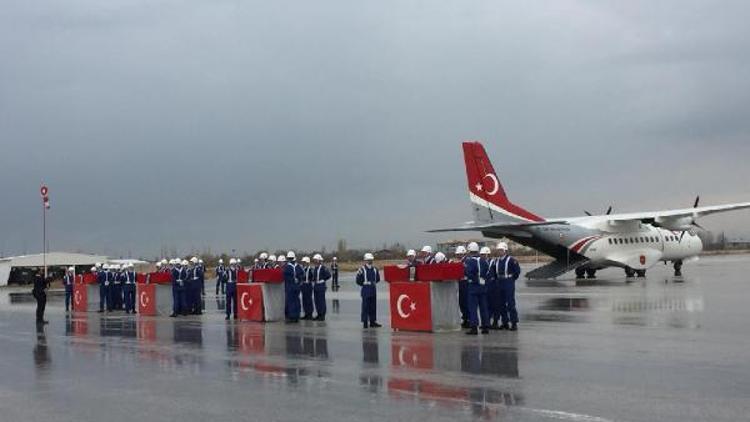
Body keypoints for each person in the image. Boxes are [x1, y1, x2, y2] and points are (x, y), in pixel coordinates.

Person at [490, 242, 521, 331]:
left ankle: (514, 323)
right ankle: (505, 322)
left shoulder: (511, 260)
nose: (499, 252)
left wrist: (511, 280)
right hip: (499, 282)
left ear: (505, 250)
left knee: (510, 303)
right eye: (498, 250)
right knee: (501, 303)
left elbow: (517, 271)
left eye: (501, 250)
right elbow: (493, 272)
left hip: (508, 282)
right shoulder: (496, 261)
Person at [464, 242, 490, 335]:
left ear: (470, 251)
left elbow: (468, 273)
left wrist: (475, 279)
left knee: (473, 308)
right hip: (482, 287)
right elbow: (488, 271)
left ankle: (474, 327)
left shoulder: (469, 261)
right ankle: (485, 326)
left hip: (473, 287)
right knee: (484, 307)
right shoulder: (483, 260)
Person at [356, 253, 381, 328]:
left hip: (373, 289)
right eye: (368, 260)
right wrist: (365, 284)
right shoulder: (361, 269)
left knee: (373, 306)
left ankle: (373, 321)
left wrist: (372, 283)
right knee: (365, 306)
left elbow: (378, 279)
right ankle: (365, 322)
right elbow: (358, 280)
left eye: (371, 260)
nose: (370, 261)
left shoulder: (375, 269)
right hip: (366, 289)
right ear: (365, 260)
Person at [451, 246, 469, 328]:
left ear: (463, 253)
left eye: (460, 254)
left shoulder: (467, 261)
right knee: (461, 302)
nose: (458, 255)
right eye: (457, 254)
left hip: (466, 283)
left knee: (466, 302)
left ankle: (469, 319)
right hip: (460, 283)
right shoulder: (459, 261)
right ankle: (465, 318)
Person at [282, 252, 303, 323]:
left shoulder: (287, 267)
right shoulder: (298, 266)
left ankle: (292, 316)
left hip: (290, 286)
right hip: (297, 286)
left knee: (291, 301)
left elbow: (284, 276)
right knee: (296, 300)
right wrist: (298, 280)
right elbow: (302, 275)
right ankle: (297, 315)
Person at [310, 254, 331, 321]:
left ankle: (322, 315)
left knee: (321, 301)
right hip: (316, 285)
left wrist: (323, 280)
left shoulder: (323, 268)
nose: (315, 261)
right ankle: (319, 314)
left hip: (321, 285)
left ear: (319, 260)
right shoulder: (315, 268)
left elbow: (328, 275)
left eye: (316, 260)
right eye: (314, 260)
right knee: (317, 301)